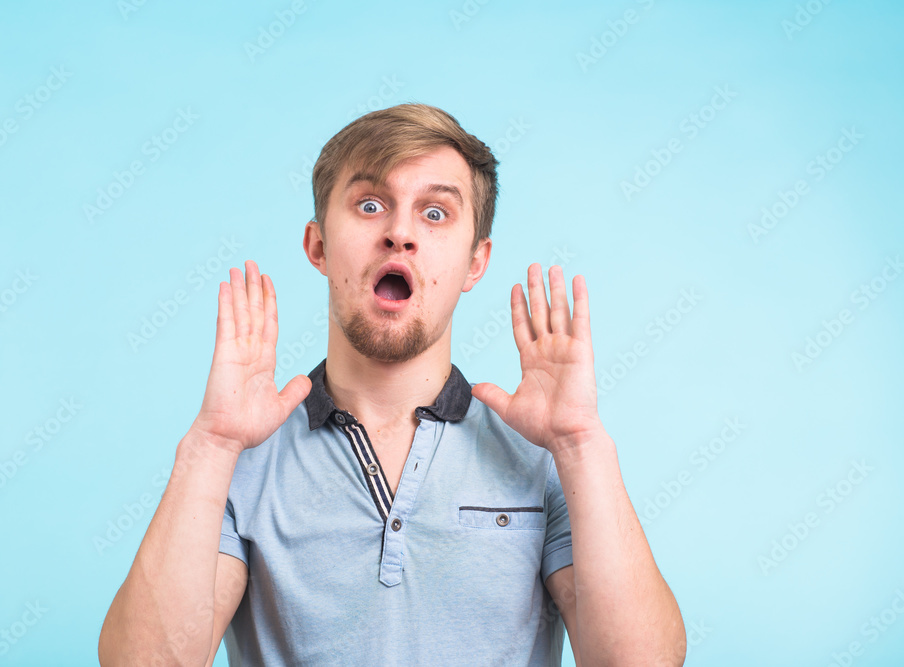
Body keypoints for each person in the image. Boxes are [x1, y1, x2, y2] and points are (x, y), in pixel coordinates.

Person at [98, 103, 685, 666]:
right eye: (371, 204)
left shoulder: (545, 457)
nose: (400, 232)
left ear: (475, 263)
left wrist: (582, 444)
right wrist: (213, 445)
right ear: (319, 246)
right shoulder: (242, 460)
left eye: (435, 213)